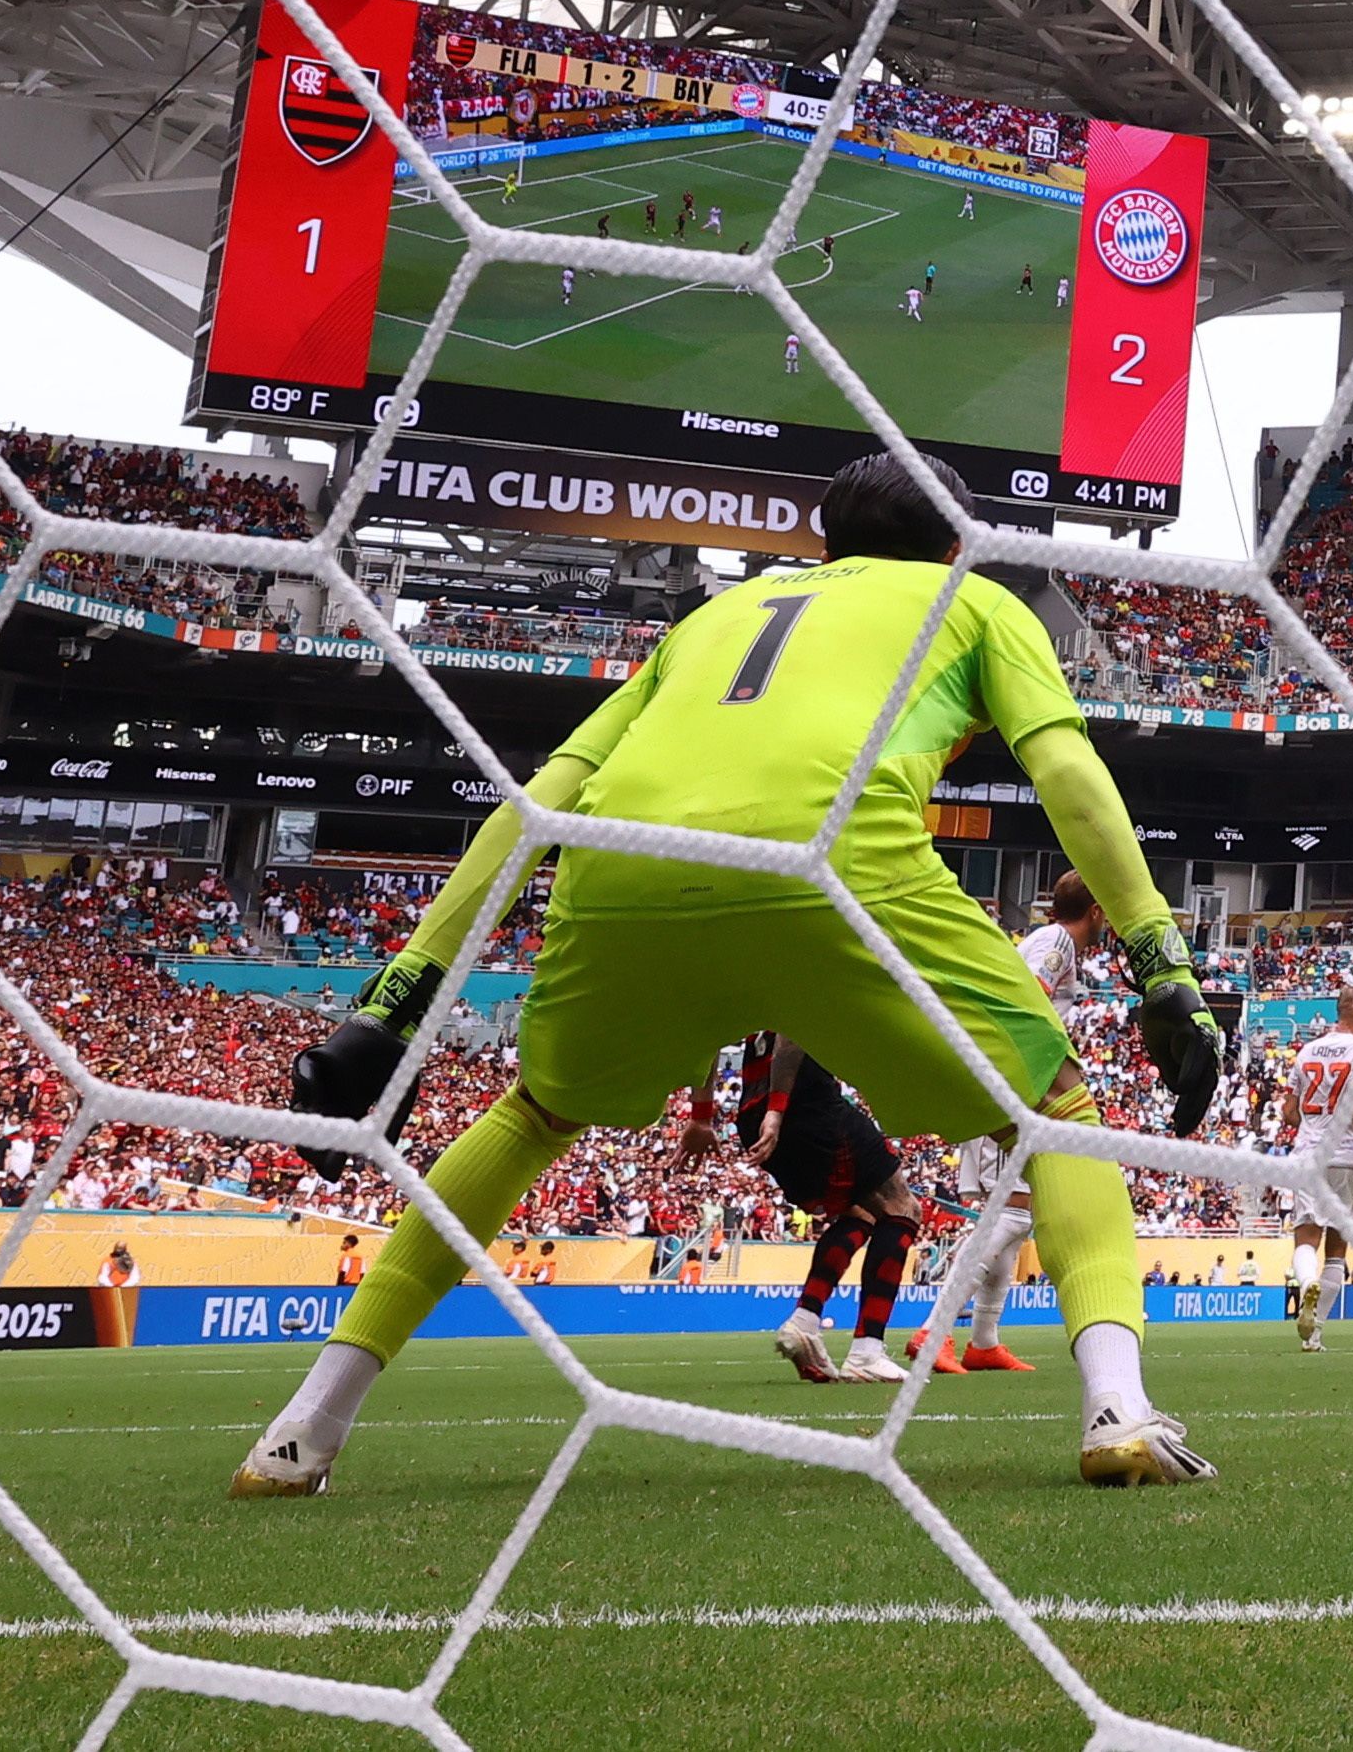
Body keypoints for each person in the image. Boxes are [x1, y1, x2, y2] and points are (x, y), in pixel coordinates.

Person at [233, 448, 1224, 1498]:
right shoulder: (973, 603)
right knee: (1055, 1112)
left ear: (827, 542)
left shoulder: (710, 619)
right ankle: (1115, 1411)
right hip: (835, 866)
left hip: (623, 874)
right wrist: (1159, 960)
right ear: (955, 547)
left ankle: (302, 1432)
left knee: (530, 1116)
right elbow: (1067, 768)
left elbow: (547, 790)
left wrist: (396, 1000)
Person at [928, 870, 1109, 1375]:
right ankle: (935, 1331)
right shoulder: (1056, 943)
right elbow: (1025, 1000)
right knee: (1010, 1212)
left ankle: (984, 1340)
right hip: (1009, 1084)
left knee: (1015, 1212)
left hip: (1005, 1080)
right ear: (1095, 911)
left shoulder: (1050, 942)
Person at [678, 1031, 924, 1383]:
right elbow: (791, 1029)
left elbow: (705, 1036)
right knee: (902, 1206)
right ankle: (867, 1351)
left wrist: (702, 1116)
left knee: (861, 1213)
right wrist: (777, 1111)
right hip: (803, 1102)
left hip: (751, 1113)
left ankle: (805, 1322)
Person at [1277, 987, 1353, 1353]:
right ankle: (1314, 1335)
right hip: (1347, 1156)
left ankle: (1307, 1281)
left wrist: (1312, 1125)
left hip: (1309, 1155)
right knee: (1337, 1250)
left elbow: (1288, 1112)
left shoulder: (1306, 1051)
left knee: (1306, 1237)